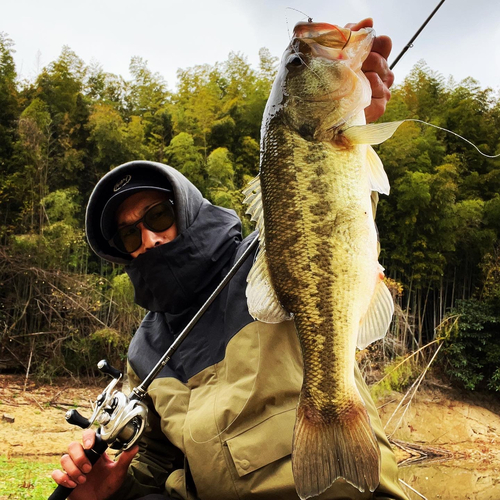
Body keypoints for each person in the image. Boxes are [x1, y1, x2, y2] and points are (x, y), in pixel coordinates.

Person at [52, 19, 408, 500]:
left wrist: (359, 111)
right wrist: (113, 493)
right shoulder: (144, 351)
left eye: (158, 213)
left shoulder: (262, 259)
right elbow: (160, 464)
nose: (150, 237)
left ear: (187, 208)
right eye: (129, 231)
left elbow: (331, 222)